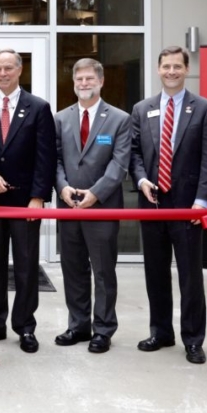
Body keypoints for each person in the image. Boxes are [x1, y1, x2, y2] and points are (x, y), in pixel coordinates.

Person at [129, 45, 207, 364]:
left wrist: (201, 203)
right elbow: (135, 155)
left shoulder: (205, 109)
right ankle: (161, 332)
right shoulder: (142, 108)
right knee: (155, 273)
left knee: (190, 276)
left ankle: (193, 339)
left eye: (177, 66)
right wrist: (141, 181)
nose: (171, 71)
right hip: (152, 204)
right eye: (166, 66)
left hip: (187, 209)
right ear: (158, 70)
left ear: (186, 69)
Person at [0, 49, 56, 354]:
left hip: (24, 203)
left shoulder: (38, 107)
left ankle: (25, 326)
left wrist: (38, 197)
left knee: (26, 266)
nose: (3, 73)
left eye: (8, 68)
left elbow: (46, 157)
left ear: (19, 71)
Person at [53, 58, 131, 354]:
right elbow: (55, 160)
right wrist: (62, 188)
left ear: (101, 81)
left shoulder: (119, 119)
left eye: (89, 79)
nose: (84, 84)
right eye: (79, 79)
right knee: (73, 269)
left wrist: (95, 194)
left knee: (102, 271)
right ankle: (78, 325)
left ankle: (103, 329)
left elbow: (119, 163)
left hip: (103, 207)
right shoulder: (60, 118)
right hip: (68, 206)